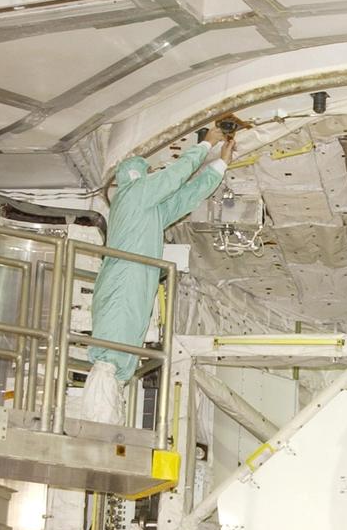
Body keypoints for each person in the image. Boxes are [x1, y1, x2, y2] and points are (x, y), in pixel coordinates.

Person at [79, 127, 234, 423]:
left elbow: (186, 198)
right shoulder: (133, 194)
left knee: (120, 347)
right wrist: (206, 144)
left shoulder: (148, 208)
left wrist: (220, 163)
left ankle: (104, 420)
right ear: (136, 176)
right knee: (114, 349)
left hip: (134, 281)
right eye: (147, 171)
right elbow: (174, 177)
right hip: (123, 282)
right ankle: (98, 423)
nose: (151, 174)